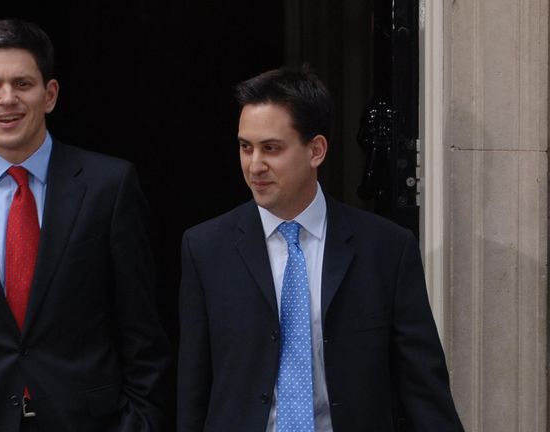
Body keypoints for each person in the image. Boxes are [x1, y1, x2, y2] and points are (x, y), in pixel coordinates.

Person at [0, 18, 169, 432]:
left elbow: (143, 335)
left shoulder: (108, 186)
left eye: (22, 84)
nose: (7, 100)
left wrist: (140, 424)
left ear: (49, 94)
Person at [177, 66, 463, 432]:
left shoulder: (387, 249)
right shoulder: (205, 249)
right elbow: (193, 390)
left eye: (271, 148)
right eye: (245, 147)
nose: (255, 165)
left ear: (316, 150)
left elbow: (425, 389)